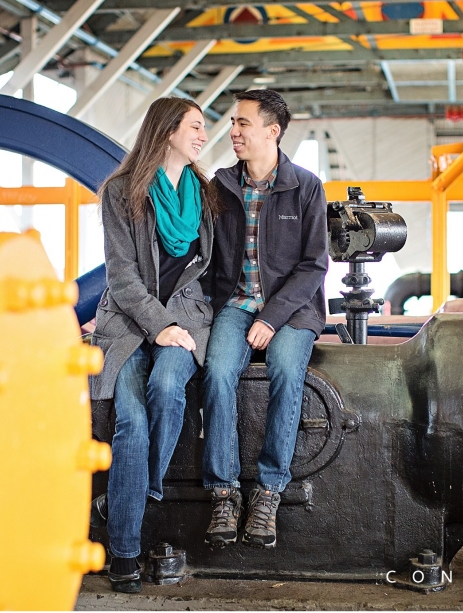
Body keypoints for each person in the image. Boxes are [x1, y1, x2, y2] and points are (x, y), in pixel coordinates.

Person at [90, 97, 218, 592]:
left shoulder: (204, 195)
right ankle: (123, 553)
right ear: (167, 132)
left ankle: (129, 496)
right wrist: (157, 325)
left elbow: (214, 269)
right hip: (127, 325)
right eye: (195, 126)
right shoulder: (121, 192)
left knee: (168, 387)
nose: (204, 136)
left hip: (185, 322)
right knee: (132, 426)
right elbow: (121, 276)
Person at [200, 89, 328, 549]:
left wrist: (272, 319)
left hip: (292, 308)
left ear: (272, 132)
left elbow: (314, 265)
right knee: (216, 373)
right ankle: (223, 492)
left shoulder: (306, 186)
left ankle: (270, 490)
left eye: (243, 124)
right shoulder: (220, 185)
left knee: (287, 371)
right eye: (233, 123)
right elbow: (204, 257)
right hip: (235, 304)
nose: (233, 132)